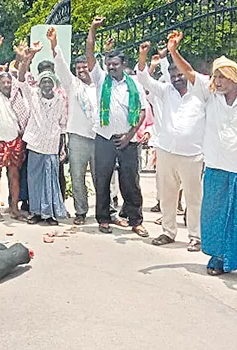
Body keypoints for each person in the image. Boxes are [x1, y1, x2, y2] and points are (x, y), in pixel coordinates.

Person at [169, 42, 237, 281]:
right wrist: (174, 52)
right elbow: (190, 73)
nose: (218, 81)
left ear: (234, 78)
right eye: (215, 76)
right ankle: (218, 258)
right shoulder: (210, 96)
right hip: (215, 167)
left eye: (222, 77)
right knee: (215, 215)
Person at [136, 35, 205, 252]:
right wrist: (143, 56)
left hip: (193, 155)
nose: (176, 78)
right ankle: (168, 231)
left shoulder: (200, 93)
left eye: (180, 75)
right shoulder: (166, 91)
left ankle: (195, 236)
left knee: (194, 199)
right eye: (173, 75)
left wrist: (173, 51)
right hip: (166, 152)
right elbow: (144, 78)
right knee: (167, 195)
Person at [85, 17, 149, 237]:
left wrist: (130, 134)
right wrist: (93, 29)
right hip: (104, 138)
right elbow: (90, 54)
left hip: (128, 140)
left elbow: (142, 111)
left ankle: (135, 219)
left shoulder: (136, 85)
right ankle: (103, 218)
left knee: (130, 180)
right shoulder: (102, 80)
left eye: (115, 64)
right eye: (109, 64)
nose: (111, 67)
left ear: (124, 65)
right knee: (102, 179)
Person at [18, 42, 68, 225]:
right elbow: (21, 77)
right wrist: (28, 57)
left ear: (54, 84)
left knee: (50, 179)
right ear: (40, 83)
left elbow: (63, 125)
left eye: (49, 81)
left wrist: (63, 147)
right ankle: (36, 212)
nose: (46, 84)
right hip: (35, 143)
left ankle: (50, 214)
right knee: (34, 179)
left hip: (52, 144)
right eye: (43, 81)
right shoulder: (33, 95)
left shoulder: (60, 100)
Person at [52, 29, 98, 225]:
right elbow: (61, 66)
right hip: (78, 137)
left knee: (102, 178)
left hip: (99, 138)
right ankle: (81, 212)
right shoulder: (73, 85)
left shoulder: (101, 85)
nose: (81, 70)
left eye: (84, 67)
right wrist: (54, 45)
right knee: (77, 177)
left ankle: (107, 212)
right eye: (78, 68)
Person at [0, 35, 30, 221]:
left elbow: (21, 74)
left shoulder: (16, 95)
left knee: (14, 176)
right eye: (3, 82)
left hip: (15, 141)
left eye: (9, 82)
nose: (7, 84)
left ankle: (14, 208)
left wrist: (23, 58)